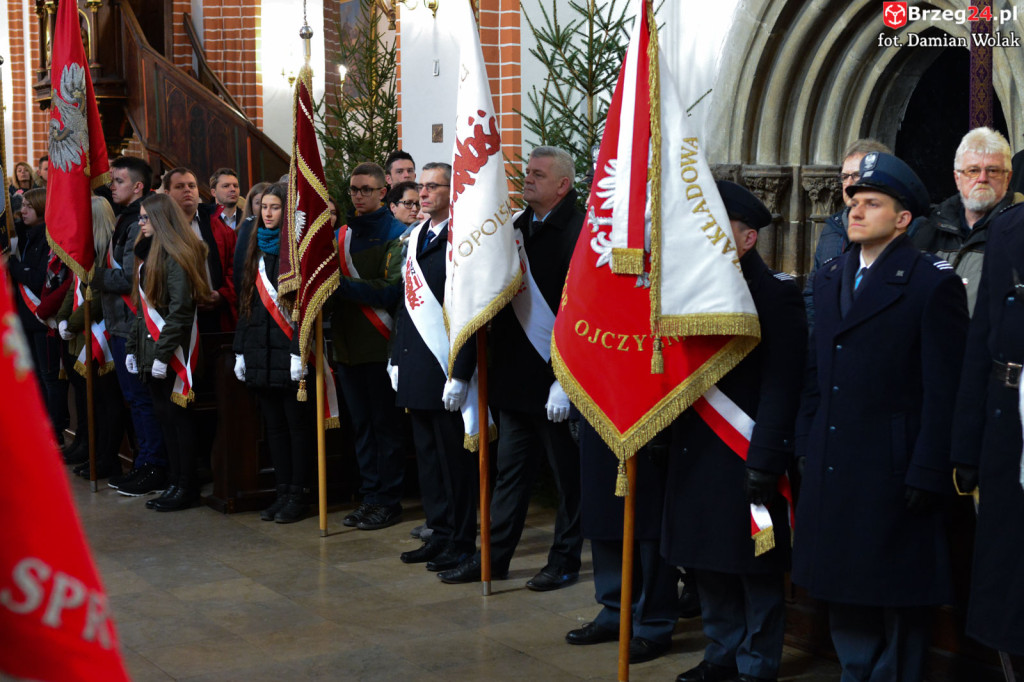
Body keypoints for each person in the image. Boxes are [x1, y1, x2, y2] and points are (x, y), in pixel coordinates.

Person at [794, 152, 969, 682]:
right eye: (854, 201)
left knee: (898, 590)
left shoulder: (929, 283)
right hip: (833, 460)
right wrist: (805, 443)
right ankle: (855, 672)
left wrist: (928, 470)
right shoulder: (828, 278)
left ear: (903, 219)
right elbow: (816, 372)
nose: (856, 211)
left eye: (873, 203)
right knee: (843, 582)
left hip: (894, 465)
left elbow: (945, 391)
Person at [666, 182, 807, 682]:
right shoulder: (689, 290)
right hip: (697, 447)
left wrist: (767, 458)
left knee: (755, 563)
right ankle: (722, 650)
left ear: (747, 239)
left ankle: (756, 662)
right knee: (707, 559)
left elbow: (782, 384)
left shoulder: (775, 296)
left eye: (718, 225)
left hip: (745, 447)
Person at [440, 146, 583, 589]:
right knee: (509, 477)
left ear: (563, 185)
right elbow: (488, 305)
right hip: (515, 382)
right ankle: (494, 559)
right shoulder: (515, 229)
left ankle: (563, 561)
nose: (528, 179)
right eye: (528, 172)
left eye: (539, 175)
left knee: (570, 482)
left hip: (560, 385)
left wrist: (565, 380)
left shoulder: (581, 231)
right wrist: (462, 369)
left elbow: (585, 313)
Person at [391, 162, 478, 571]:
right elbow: (404, 306)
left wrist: (461, 372)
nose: (422, 193)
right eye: (420, 186)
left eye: (432, 186)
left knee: (454, 461)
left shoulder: (463, 238)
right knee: (427, 457)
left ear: (451, 189)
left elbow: (472, 310)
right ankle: (438, 532)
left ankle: (461, 540)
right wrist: (395, 357)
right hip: (416, 363)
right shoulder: (417, 236)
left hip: (445, 365)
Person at [949, 200, 1024, 661]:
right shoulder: (1008, 228)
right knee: (1009, 569)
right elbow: (981, 339)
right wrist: (965, 445)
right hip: (1007, 417)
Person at [329, 162, 407, 531]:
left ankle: (388, 500)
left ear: (382, 193)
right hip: (346, 345)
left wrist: (339, 287)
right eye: (354, 189)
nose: (358, 196)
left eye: (365, 189)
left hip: (380, 345)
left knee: (385, 428)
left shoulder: (397, 233)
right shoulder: (341, 234)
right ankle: (370, 494)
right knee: (360, 427)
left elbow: (392, 289)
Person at [232, 183, 315, 523]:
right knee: (275, 429)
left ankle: (300, 493)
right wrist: (240, 350)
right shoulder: (255, 246)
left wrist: (299, 352)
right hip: (259, 351)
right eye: (264, 207)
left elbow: (306, 307)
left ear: (288, 211)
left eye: (275, 207)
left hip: (289, 353)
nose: (267, 213)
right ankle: (282, 491)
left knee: (297, 428)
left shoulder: (297, 251)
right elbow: (247, 303)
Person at [126, 194, 213, 512]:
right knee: (164, 417)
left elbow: (179, 312)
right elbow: (141, 310)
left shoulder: (176, 256)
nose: (141, 223)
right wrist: (133, 348)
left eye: (146, 218)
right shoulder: (149, 253)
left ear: (161, 220)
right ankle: (175, 481)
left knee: (179, 420)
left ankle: (185, 484)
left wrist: (162, 355)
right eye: (140, 217)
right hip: (153, 350)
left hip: (173, 352)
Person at [93, 156, 169, 496]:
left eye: (119, 181)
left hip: (132, 324)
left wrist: (93, 276)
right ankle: (143, 462)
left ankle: (153, 465)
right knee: (133, 399)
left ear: (138, 186)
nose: (112, 186)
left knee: (141, 400)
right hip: (121, 324)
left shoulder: (139, 221)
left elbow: (128, 278)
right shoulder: (126, 219)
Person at [912, 127, 1022, 314]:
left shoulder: (1018, 230)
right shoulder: (929, 231)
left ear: (1008, 177)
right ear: (957, 178)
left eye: (993, 171)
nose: (982, 179)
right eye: (973, 170)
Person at [56, 197, 125, 479]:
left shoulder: (104, 252)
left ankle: (107, 457)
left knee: (109, 401)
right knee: (91, 400)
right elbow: (72, 288)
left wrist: (70, 323)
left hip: (101, 336)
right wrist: (63, 319)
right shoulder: (82, 252)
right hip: (80, 335)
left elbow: (96, 296)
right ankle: (93, 451)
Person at [803, 139, 891, 330]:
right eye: (845, 176)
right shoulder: (831, 229)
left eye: (857, 176)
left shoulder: (899, 229)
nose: (848, 184)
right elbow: (812, 292)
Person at [8, 188, 71, 445]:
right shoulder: (27, 236)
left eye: (28, 207)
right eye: (22, 205)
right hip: (26, 318)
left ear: (43, 208)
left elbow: (38, 279)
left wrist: (12, 265)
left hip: (43, 320)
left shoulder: (48, 239)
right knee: (35, 377)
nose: (22, 211)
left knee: (50, 377)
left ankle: (55, 430)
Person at [164, 167, 237, 333]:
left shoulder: (218, 227)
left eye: (192, 185)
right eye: (180, 186)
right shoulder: (160, 228)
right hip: (175, 318)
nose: (187, 190)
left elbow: (237, 268)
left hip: (216, 315)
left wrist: (222, 295)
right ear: (167, 193)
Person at [233, 181, 271, 292]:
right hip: (253, 289)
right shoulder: (247, 227)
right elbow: (240, 267)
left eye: (267, 203)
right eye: (258, 203)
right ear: (251, 205)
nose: (263, 208)